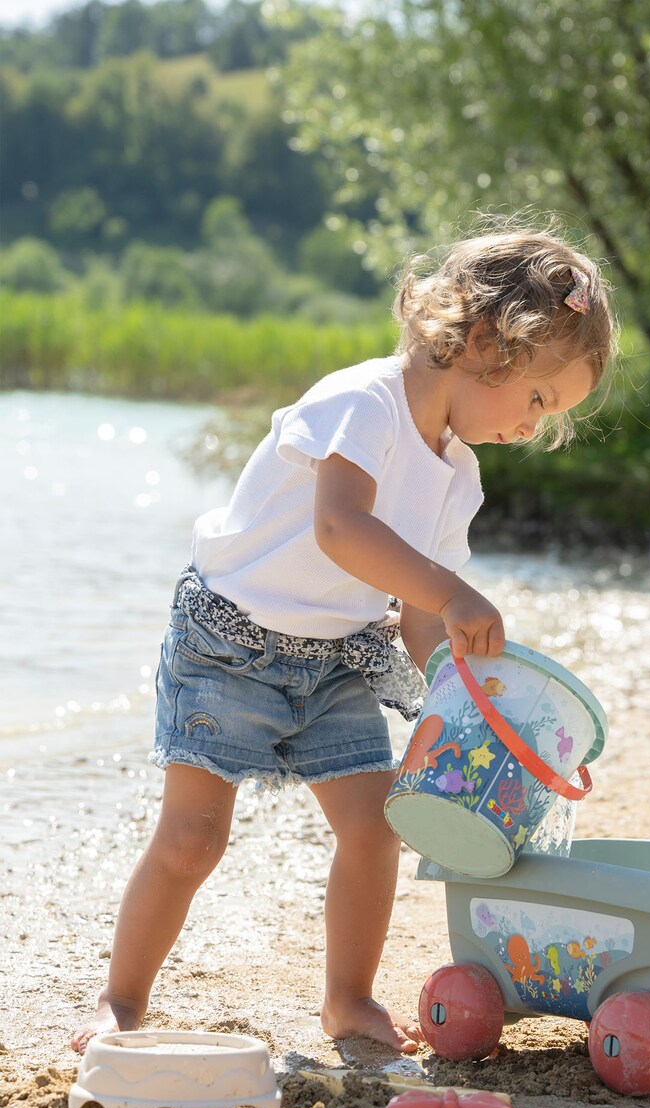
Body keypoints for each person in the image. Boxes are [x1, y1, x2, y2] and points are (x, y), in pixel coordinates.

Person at [71, 220, 617, 1054]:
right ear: (482, 342)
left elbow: (419, 615)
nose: (533, 429)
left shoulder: (456, 476)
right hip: (230, 645)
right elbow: (340, 528)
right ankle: (121, 1002)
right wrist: (450, 590)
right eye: (538, 400)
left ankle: (348, 1001)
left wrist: (467, 697)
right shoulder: (363, 404)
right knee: (192, 840)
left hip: (338, 661)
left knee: (375, 828)